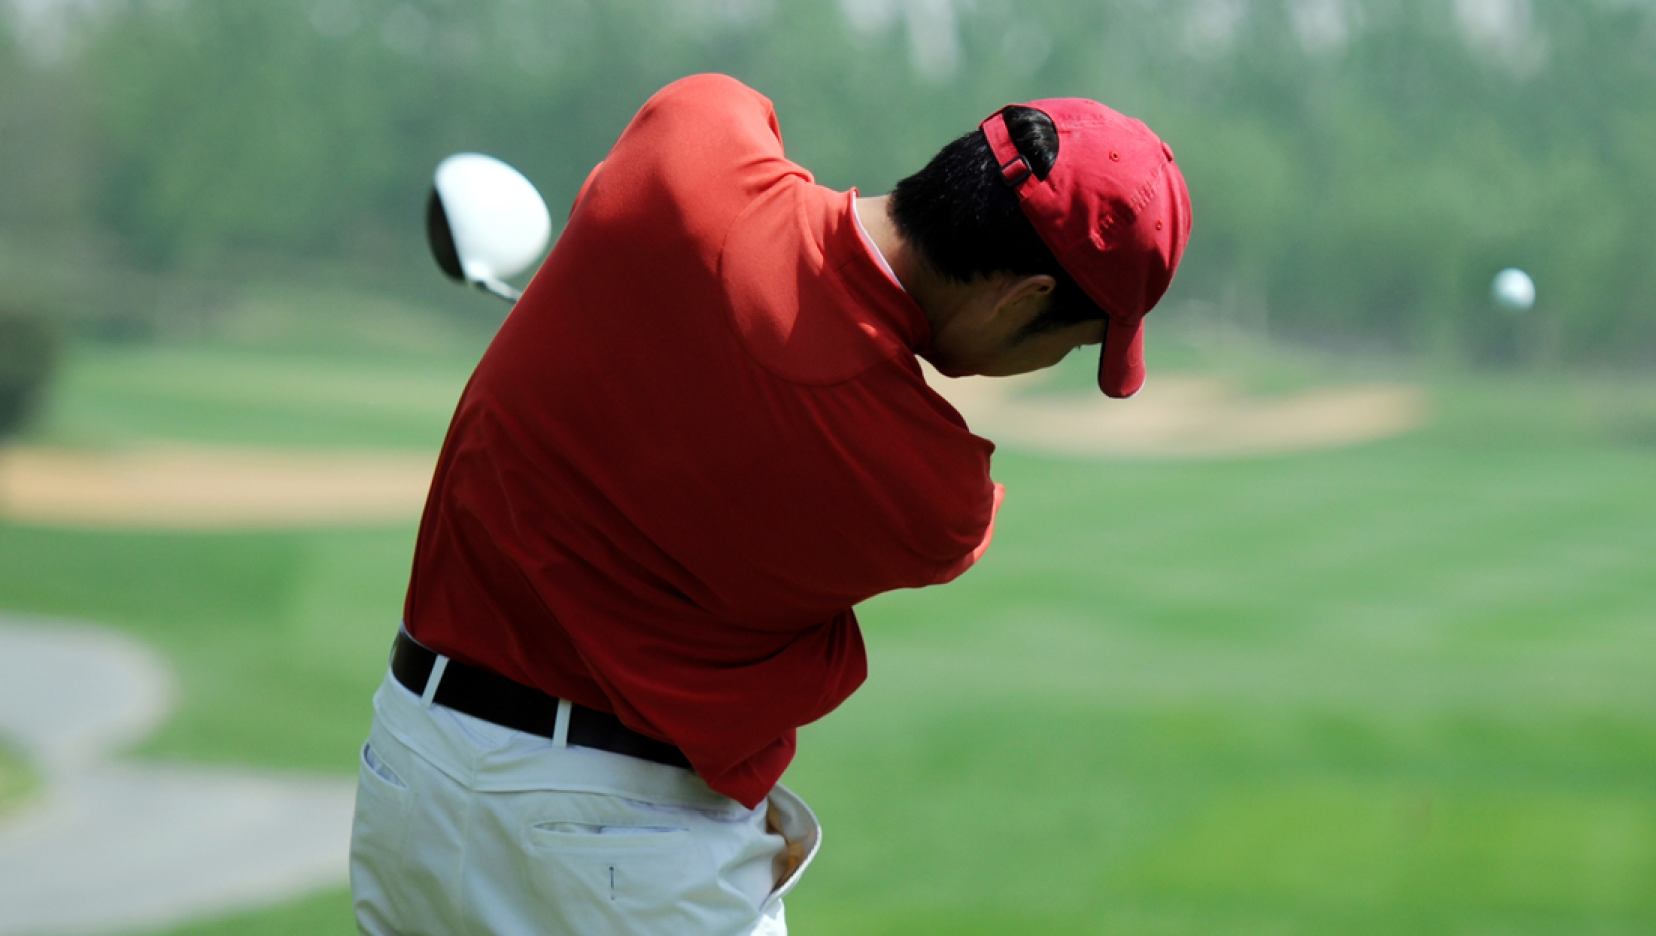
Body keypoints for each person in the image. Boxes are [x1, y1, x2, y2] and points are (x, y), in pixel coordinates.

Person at [350, 73, 1190, 936]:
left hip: (407, 775)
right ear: (1023, 299)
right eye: (1077, 344)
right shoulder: (933, 493)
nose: (1050, 367)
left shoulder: (692, 137)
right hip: (612, 853)